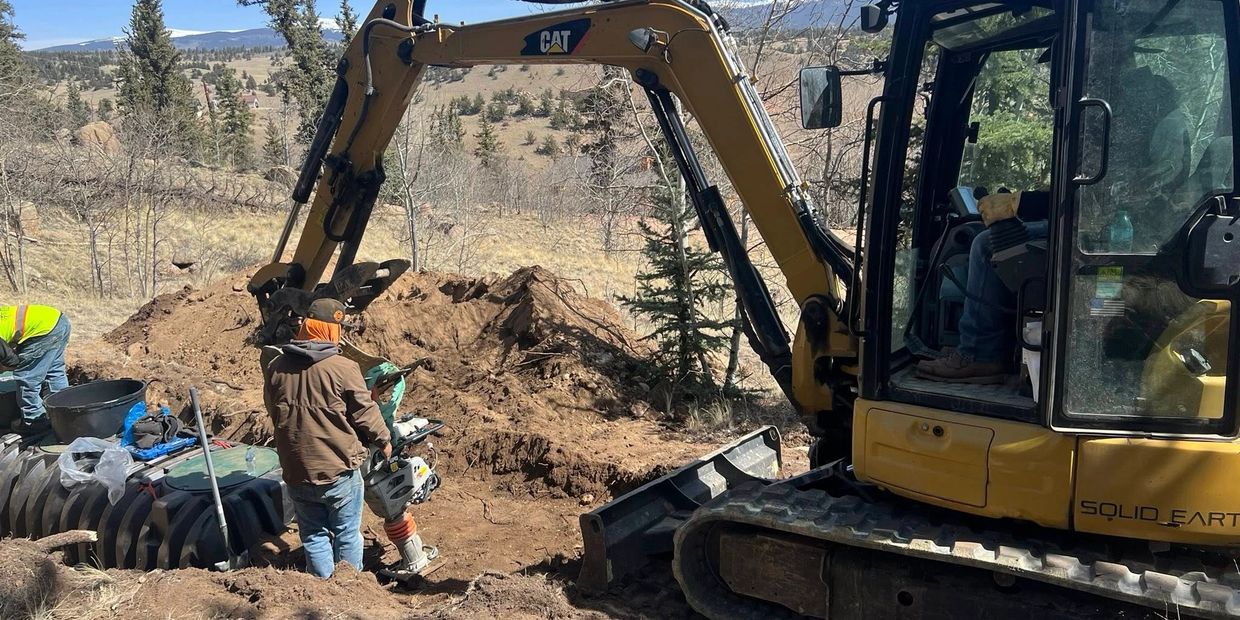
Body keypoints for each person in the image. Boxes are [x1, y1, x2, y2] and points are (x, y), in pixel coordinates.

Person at [262, 298, 392, 578]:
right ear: (330, 330)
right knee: (346, 532)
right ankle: (347, 590)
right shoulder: (343, 368)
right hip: (338, 471)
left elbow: (274, 413)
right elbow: (364, 412)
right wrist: (384, 438)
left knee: (313, 535)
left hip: (296, 470)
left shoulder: (275, 367)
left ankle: (323, 592)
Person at [917, 192, 1048, 383]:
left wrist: (1020, 202)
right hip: (1073, 220)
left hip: (1080, 226)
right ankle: (987, 346)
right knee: (985, 235)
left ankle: (978, 353)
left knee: (985, 244)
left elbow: (1083, 198)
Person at [0, 305, 71, 436]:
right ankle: (65, 414)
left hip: (42, 332)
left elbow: (11, 359)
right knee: (54, 372)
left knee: (27, 379)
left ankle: (34, 422)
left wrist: (12, 366)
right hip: (58, 320)